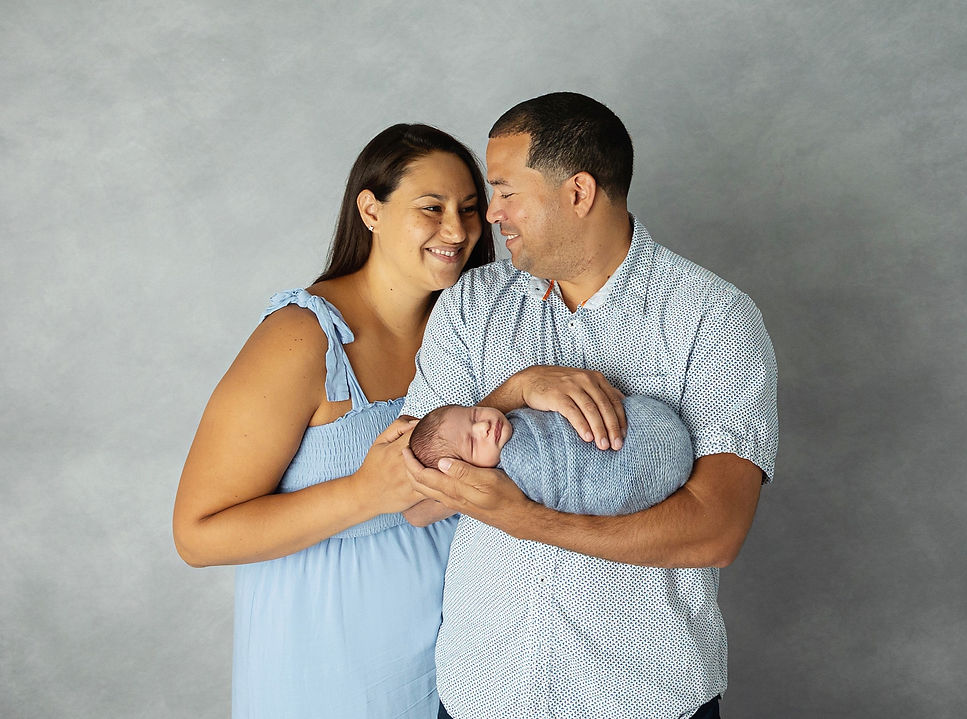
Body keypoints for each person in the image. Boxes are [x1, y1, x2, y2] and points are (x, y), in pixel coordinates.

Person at [401, 93, 779, 719]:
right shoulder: (472, 304)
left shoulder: (714, 318)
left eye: (505, 191)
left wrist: (525, 519)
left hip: (643, 697)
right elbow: (413, 500)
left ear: (578, 192)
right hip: (484, 692)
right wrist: (514, 391)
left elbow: (716, 530)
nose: (489, 214)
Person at [171, 123, 494, 719]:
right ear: (371, 211)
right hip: (330, 671)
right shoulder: (302, 339)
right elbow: (197, 535)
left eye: (470, 209)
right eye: (432, 208)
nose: (457, 230)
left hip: (467, 661)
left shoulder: (476, 329)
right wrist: (364, 493)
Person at [408, 397, 692, 516]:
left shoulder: (514, 420)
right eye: (472, 443)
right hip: (622, 474)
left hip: (644, 428)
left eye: (474, 414)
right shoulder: (514, 469)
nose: (483, 427)